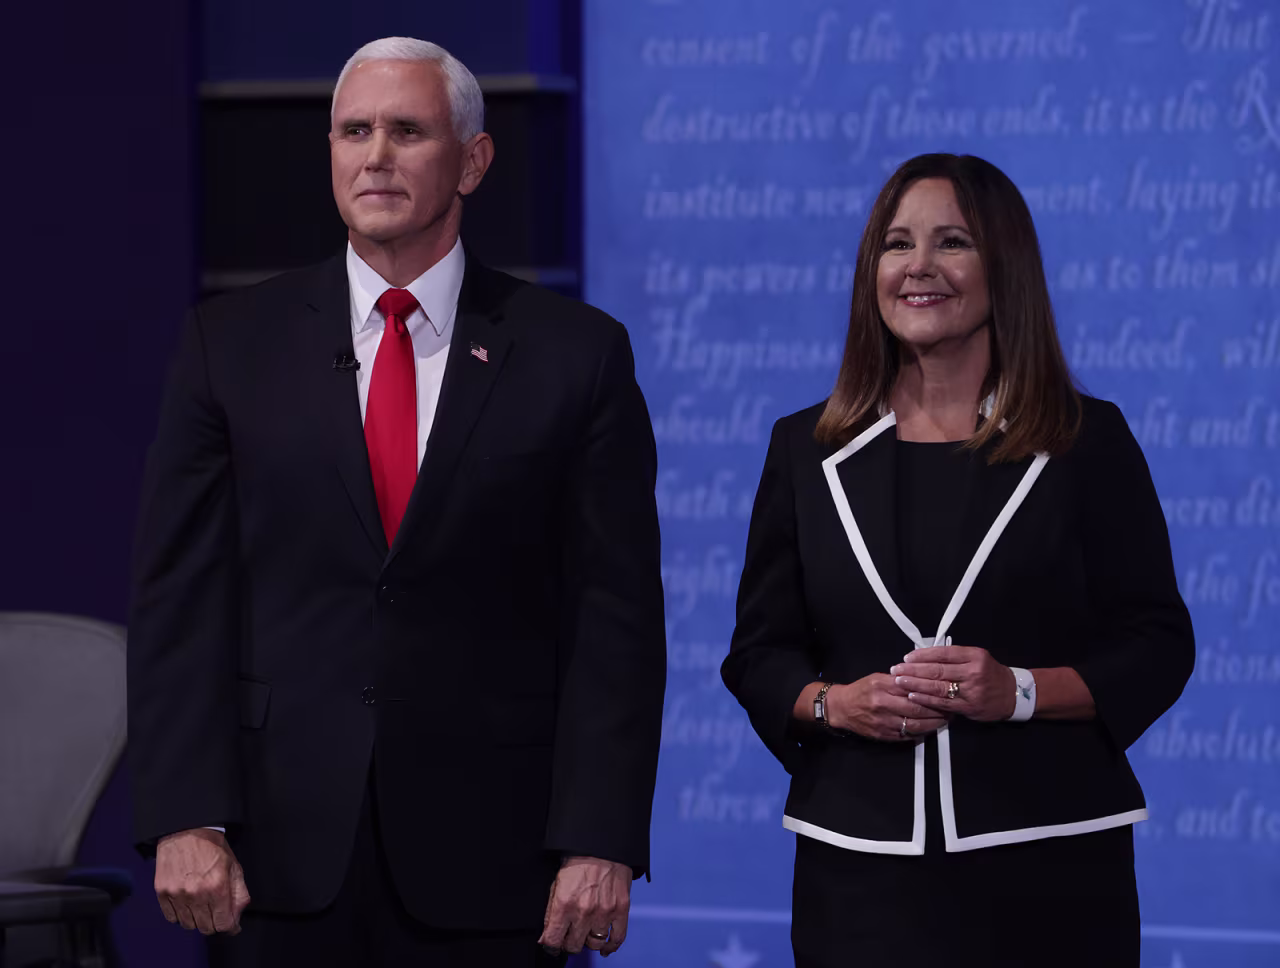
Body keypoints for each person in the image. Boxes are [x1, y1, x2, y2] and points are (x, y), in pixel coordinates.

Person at [127, 37, 666, 967]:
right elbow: (179, 600)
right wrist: (185, 814)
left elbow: (613, 617)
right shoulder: (229, 343)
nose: (375, 155)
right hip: (276, 856)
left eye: (408, 130)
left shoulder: (576, 353)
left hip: (496, 859)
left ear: (474, 159)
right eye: (354, 131)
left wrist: (600, 836)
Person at [721, 152, 1194, 967]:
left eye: (953, 243)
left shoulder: (1086, 440)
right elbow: (760, 654)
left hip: (1050, 863)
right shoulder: (804, 448)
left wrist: (1015, 691)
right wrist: (835, 704)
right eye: (897, 244)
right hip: (859, 872)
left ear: (1003, 266)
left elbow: (1156, 643)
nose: (920, 268)